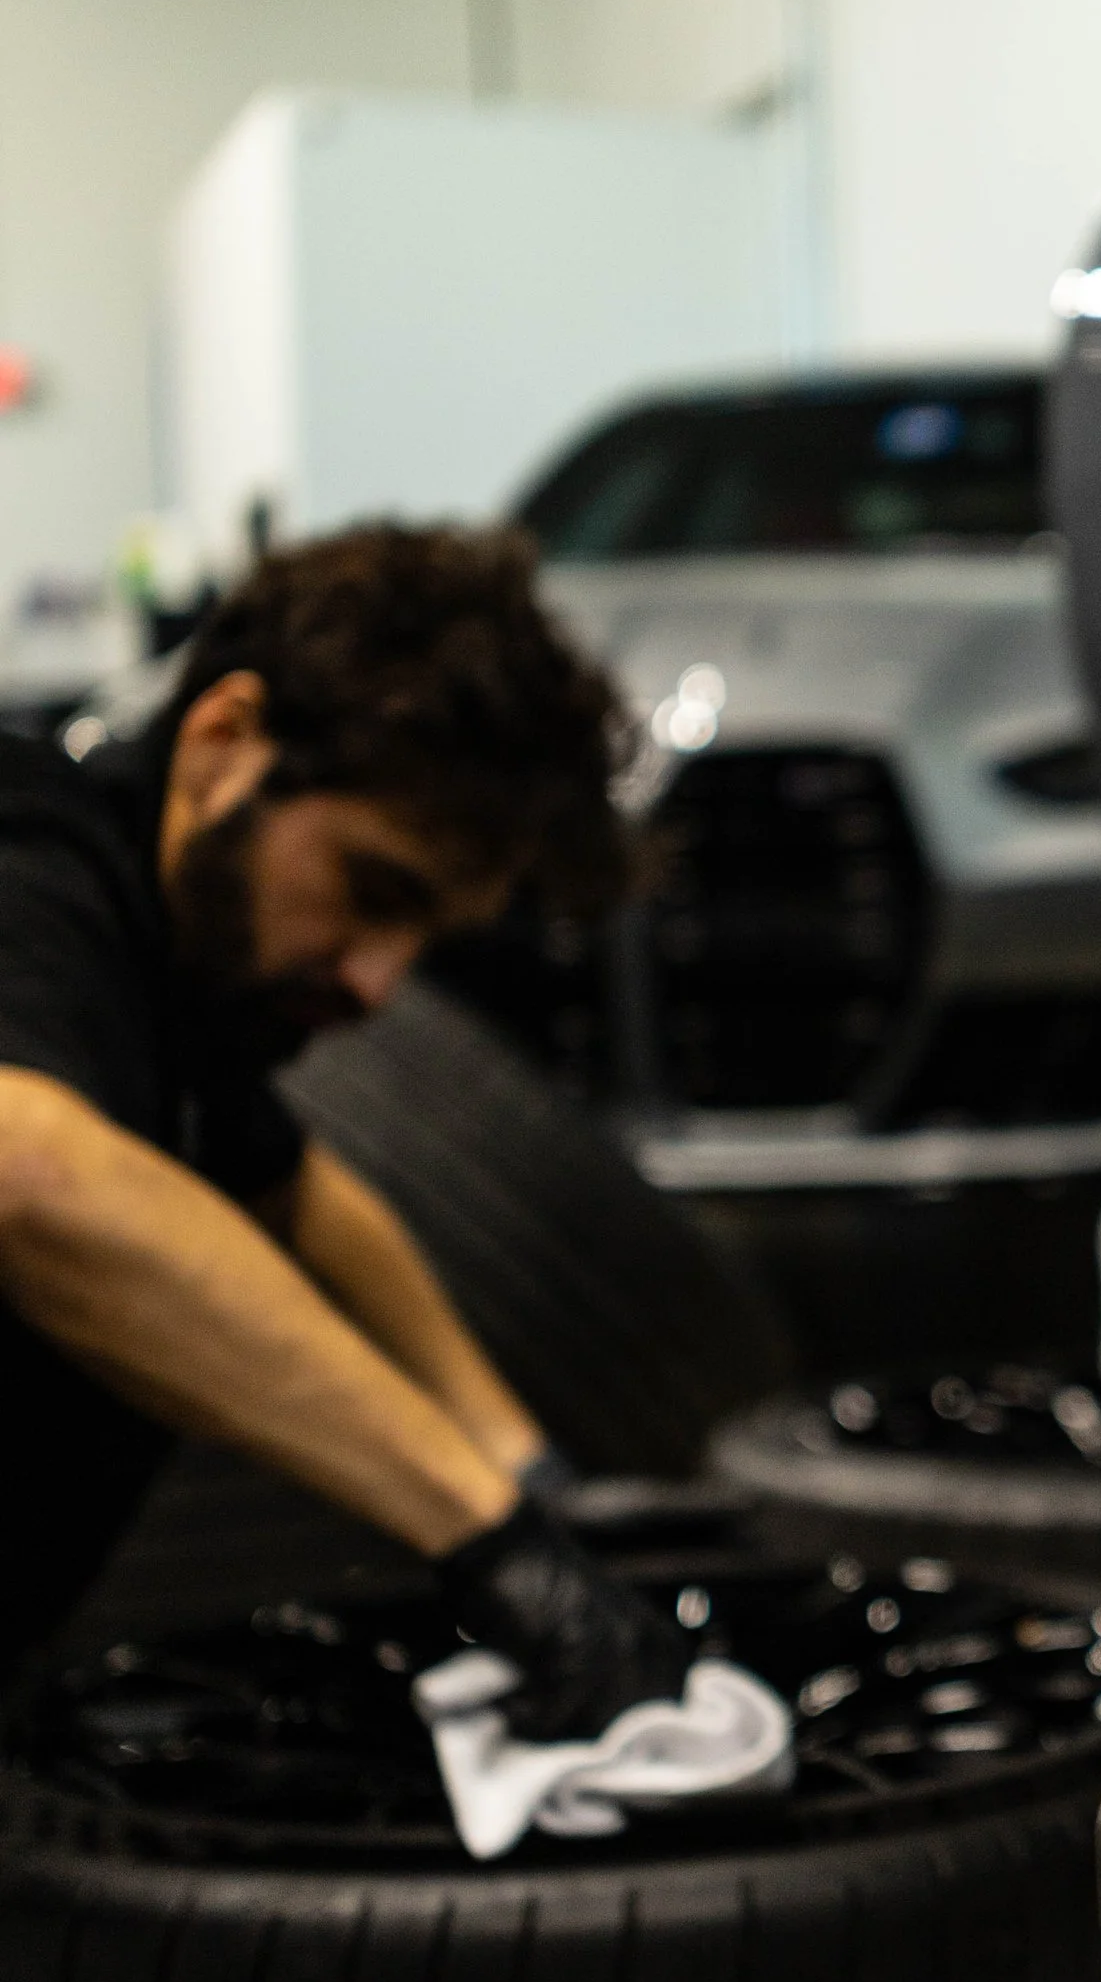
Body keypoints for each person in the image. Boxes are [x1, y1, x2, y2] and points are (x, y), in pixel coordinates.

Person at [0, 523, 684, 1738]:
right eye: (374, 891)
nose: (377, 982)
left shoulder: (183, 993)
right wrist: (485, 1531)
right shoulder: (27, 852)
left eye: (425, 935)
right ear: (224, 742)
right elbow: (33, 1177)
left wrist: (524, 1465)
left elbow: (302, 1200)